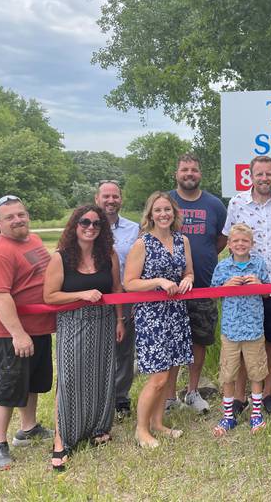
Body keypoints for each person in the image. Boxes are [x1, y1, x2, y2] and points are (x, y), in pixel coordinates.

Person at [43, 205, 124, 471]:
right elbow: (50, 296)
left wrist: (120, 320)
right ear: (75, 225)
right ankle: (61, 439)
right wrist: (81, 294)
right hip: (73, 324)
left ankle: (98, 428)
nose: (91, 227)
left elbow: (115, 288)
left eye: (97, 224)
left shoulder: (108, 255)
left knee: (101, 376)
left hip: (104, 322)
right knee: (70, 380)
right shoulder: (61, 258)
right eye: (85, 222)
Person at [0, 195, 55, 470]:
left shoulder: (32, 240)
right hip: (11, 334)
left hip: (38, 329)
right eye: (10, 217)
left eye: (21, 214)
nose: (17, 220)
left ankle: (28, 428)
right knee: (7, 388)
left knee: (32, 383)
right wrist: (18, 334)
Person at [222, 155, 271, 414]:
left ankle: (266, 393)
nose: (264, 178)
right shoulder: (236, 203)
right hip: (246, 287)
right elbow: (229, 241)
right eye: (259, 174)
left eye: (269, 174)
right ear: (250, 175)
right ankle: (241, 396)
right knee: (246, 341)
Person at [124, 192, 195, 448]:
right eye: (158, 210)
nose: (163, 214)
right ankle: (141, 429)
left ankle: (158, 423)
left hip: (176, 312)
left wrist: (188, 279)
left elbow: (188, 271)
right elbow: (129, 283)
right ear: (150, 215)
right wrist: (158, 282)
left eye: (167, 209)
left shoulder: (182, 241)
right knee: (158, 378)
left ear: (174, 213)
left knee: (171, 374)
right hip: (152, 315)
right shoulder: (142, 244)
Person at [166, 153, 227, 414]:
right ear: (176, 174)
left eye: (194, 169)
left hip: (203, 285)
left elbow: (223, 238)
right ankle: (169, 397)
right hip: (169, 290)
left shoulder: (214, 205)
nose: (189, 174)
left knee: (199, 341)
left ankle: (192, 392)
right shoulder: (166, 202)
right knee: (170, 343)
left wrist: (205, 254)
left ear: (200, 173)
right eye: (184, 170)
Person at [210, 223, 270, 436]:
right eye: (236, 241)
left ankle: (256, 414)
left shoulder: (259, 264)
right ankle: (228, 417)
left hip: (254, 328)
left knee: (256, 372)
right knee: (228, 374)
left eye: (245, 241)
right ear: (229, 244)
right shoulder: (223, 267)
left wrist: (259, 285)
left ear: (252, 244)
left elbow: (268, 293)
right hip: (231, 330)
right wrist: (225, 287)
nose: (240, 244)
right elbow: (213, 294)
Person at [95, 180, 139, 419]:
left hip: (126, 297)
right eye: (106, 196)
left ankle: (120, 397)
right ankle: (98, 398)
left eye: (115, 196)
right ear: (97, 199)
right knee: (99, 349)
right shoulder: (88, 226)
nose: (111, 200)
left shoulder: (134, 229)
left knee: (124, 350)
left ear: (121, 199)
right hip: (94, 299)